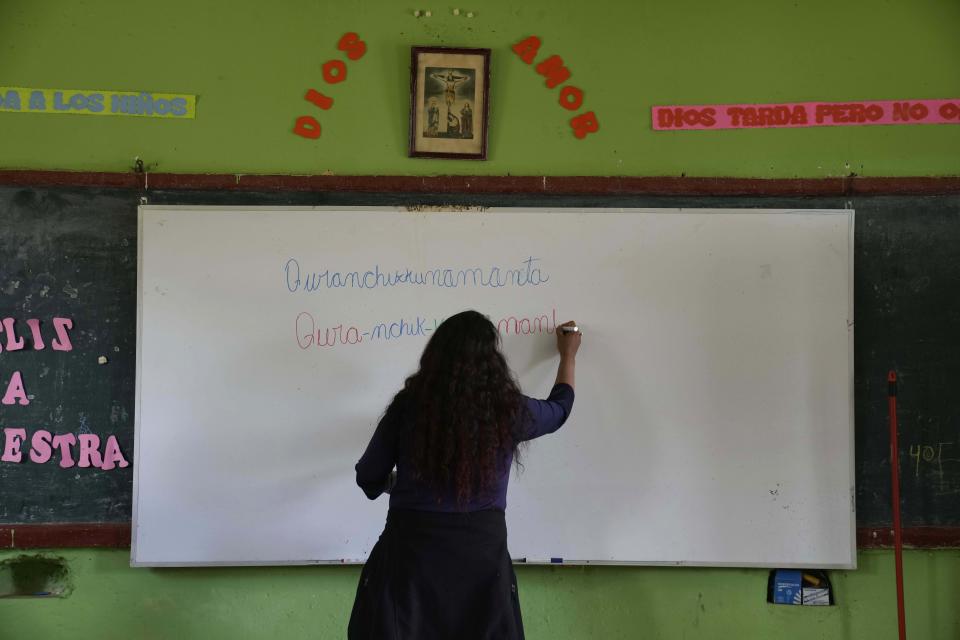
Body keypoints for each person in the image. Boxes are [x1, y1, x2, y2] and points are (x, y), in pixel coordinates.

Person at [349, 310, 581, 639]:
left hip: (410, 563)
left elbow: (368, 476)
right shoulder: (507, 410)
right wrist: (568, 355)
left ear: (434, 355)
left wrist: (400, 486)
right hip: (482, 565)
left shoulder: (407, 407)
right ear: (492, 361)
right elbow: (559, 409)